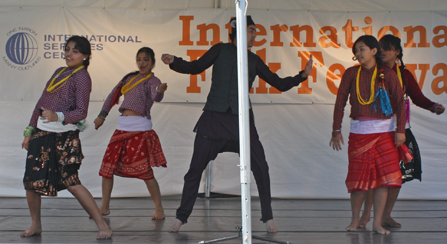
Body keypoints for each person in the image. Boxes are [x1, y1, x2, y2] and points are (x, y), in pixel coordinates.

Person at [161, 15, 313, 233]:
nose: (255, 35)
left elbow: (278, 83)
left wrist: (302, 75)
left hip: (242, 122)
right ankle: (180, 217)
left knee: (261, 167)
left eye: (255, 31)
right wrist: (174, 61)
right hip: (214, 119)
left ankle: (268, 217)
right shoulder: (220, 49)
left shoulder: (254, 60)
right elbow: (195, 67)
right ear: (239, 30)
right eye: (252, 30)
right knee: (195, 170)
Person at [21, 36, 112, 239]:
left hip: (63, 136)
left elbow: (81, 112)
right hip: (41, 134)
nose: (69, 54)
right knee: (32, 182)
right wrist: (29, 132)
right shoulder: (59, 72)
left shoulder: (82, 77)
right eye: (67, 49)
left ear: (86, 55)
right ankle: (36, 225)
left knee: (71, 182)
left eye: (75, 51)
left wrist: (58, 116)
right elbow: (41, 102)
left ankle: (102, 225)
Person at [358, 34, 445, 228]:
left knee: (397, 176)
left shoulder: (404, 75)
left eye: (387, 48)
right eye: (380, 47)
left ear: (397, 52)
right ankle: (366, 216)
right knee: (374, 177)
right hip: (377, 131)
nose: (382, 51)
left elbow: (417, 97)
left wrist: (433, 106)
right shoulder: (370, 72)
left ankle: (385, 216)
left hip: (400, 131)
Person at [329, 35, 408, 235]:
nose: (358, 53)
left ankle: (377, 223)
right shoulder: (350, 74)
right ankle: (355, 220)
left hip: (385, 134)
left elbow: (400, 103)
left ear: (374, 51)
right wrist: (336, 130)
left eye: (362, 49)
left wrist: (400, 132)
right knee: (357, 181)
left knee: (383, 180)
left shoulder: (388, 74)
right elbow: (340, 103)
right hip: (359, 133)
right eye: (356, 50)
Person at [94, 47, 168, 220]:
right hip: (122, 127)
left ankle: (159, 209)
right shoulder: (129, 78)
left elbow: (155, 96)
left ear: (152, 63)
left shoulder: (153, 80)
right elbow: (112, 96)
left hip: (139, 129)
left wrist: (160, 91)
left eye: (146, 60)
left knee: (145, 171)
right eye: (139, 59)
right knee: (107, 167)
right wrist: (102, 116)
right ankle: (104, 206)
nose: (142, 63)